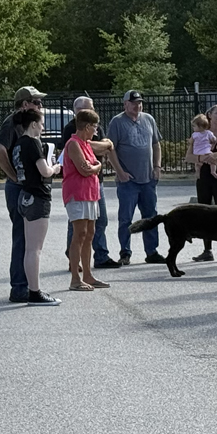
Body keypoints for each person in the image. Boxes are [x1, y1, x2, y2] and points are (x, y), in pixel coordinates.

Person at [0, 86, 47, 304]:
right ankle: (20, 287)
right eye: (37, 102)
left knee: (26, 238)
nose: (40, 106)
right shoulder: (13, 122)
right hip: (19, 188)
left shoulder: (23, 124)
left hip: (23, 186)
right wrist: (14, 176)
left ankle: (24, 284)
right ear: (25, 104)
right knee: (23, 238)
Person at [59, 95, 118, 269]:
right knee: (78, 227)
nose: (93, 110)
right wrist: (97, 164)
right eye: (89, 108)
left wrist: (102, 147)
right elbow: (86, 163)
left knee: (97, 223)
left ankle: (99, 257)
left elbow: (106, 145)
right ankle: (74, 261)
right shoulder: (72, 132)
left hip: (93, 187)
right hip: (78, 190)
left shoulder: (88, 135)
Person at [10, 107, 60, 305]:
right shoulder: (32, 143)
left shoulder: (18, 144)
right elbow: (44, 171)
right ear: (33, 124)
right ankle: (35, 291)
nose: (43, 126)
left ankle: (32, 289)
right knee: (35, 249)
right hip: (38, 197)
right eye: (41, 123)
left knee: (29, 248)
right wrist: (55, 167)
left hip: (24, 194)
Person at [108, 91, 164, 264]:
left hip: (148, 178)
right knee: (126, 217)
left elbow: (156, 144)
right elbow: (111, 149)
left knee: (150, 215)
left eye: (139, 103)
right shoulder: (117, 122)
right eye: (133, 103)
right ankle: (125, 252)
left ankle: (152, 251)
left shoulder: (148, 119)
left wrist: (157, 167)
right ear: (125, 104)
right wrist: (119, 171)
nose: (137, 106)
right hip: (128, 180)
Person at [62, 109, 110, 291]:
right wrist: (96, 167)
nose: (96, 131)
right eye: (95, 127)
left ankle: (88, 275)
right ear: (87, 126)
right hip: (77, 193)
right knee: (79, 233)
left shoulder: (86, 144)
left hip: (90, 193)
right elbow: (84, 169)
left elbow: (93, 165)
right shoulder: (73, 144)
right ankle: (75, 278)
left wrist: (94, 166)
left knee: (90, 233)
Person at [194, 103, 217, 261]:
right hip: (203, 173)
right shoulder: (202, 132)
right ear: (209, 115)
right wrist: (201, 159)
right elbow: (190, 155)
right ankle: (207, 250)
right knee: (204, 210)